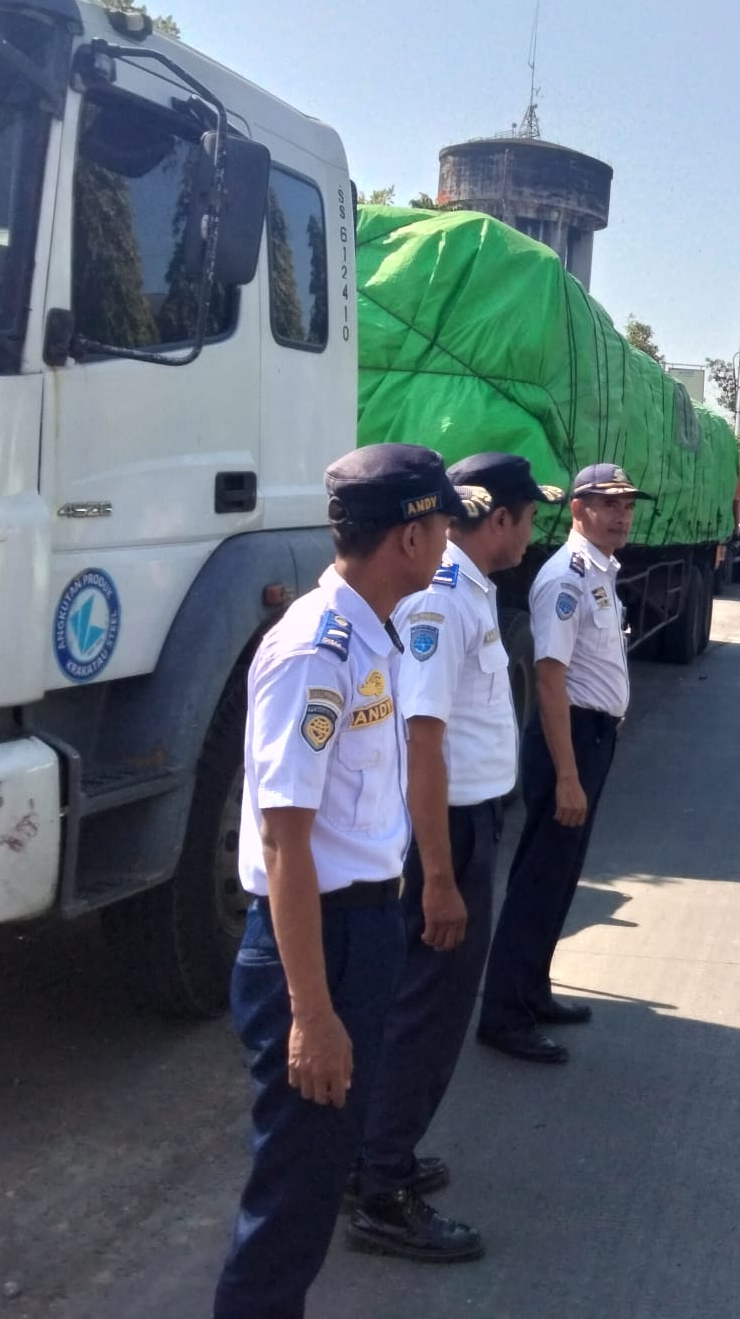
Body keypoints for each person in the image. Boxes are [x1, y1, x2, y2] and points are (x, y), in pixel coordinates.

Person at [213, 445, 462, 1319]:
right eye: (439, 527)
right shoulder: (317, 650)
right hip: (314, 947)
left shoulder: (373, 632)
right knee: (291, 1197)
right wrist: (312, 1017)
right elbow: (286, 844)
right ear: (408, 534)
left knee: (314, 1184)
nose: (445, 545)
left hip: (362, 933)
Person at [347, 453, 560, 1261]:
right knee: (427, 1017)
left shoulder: (467, 593)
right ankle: (382, 1191)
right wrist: (437, 875)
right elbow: (422, 738)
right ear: (498, 519)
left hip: (464, 823)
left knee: (418, 1007)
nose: (530, 534)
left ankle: (373, 1157)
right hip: (450, 832)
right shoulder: (445, 601)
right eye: (528, 518)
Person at [476, 463, 648, 1063]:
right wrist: (569, 775)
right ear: (578, 509)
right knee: (538, 881)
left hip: (591, 738)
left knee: (558, 878)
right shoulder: (567, 578)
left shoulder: (599, 571)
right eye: (609, 504)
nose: (622, 514)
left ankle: (533, 991)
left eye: (628, 505)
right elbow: (550, 678)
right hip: (567, 742)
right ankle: (504, 1015)